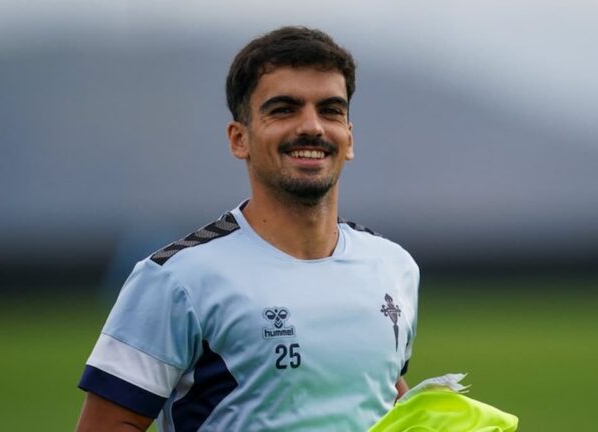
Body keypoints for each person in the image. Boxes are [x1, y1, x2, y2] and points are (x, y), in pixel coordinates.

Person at [75, 26, 420, 432]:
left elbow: (378, 392)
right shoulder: (177, 278)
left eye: (331, 110)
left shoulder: (393, 266)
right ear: (240, 139)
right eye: (284, 109)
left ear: (349, 138)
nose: (312, 127)